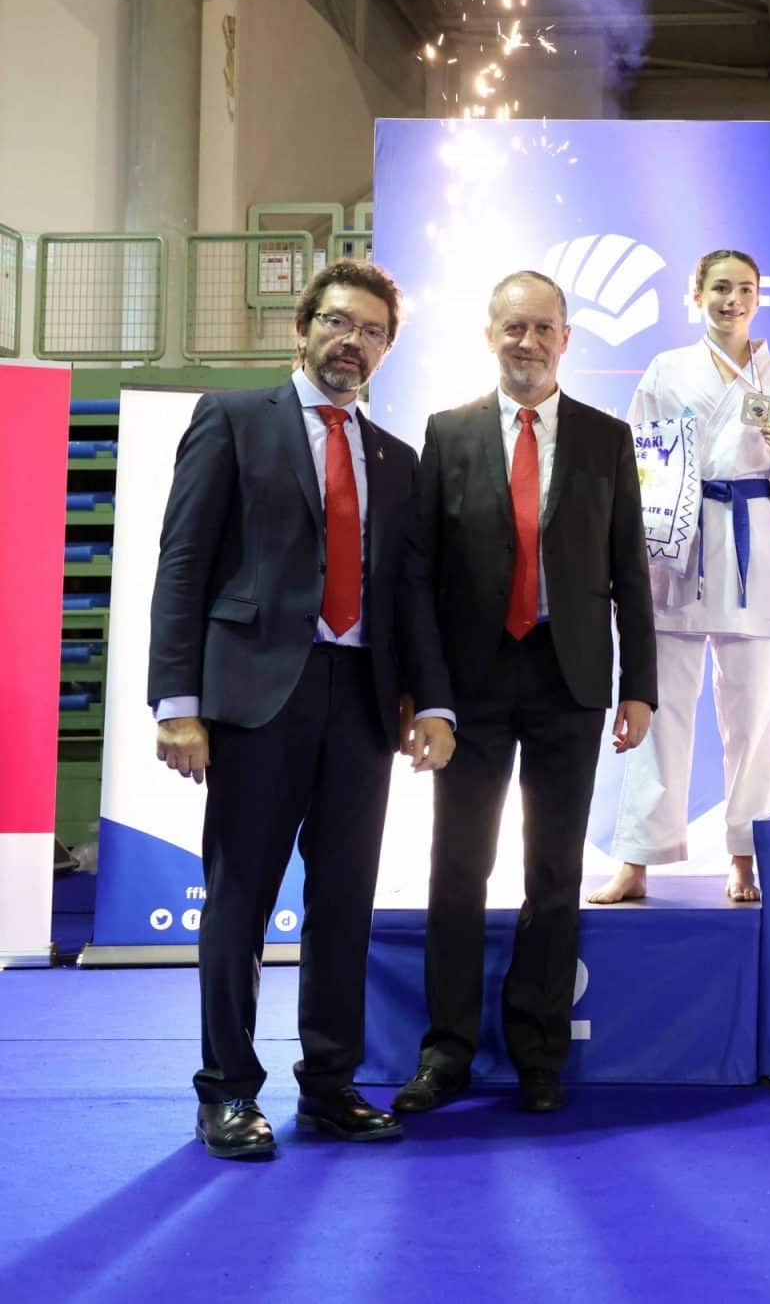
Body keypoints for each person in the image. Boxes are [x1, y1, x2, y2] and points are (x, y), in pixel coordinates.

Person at [149, 260, 455, 1159]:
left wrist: (433, 702)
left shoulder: (396, 458)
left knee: (343, 905)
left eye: (371, 331)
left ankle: (329, 1085)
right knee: (239, 901)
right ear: (303, 327)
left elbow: (411, 593)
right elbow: (183, 562)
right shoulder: (233, 419)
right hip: (254, 701)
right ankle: (226, 1093)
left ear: (387, 350)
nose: (352, 341)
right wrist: (177, 703)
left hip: (361, 703)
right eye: (337, 322)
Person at [393, 271, 657, 1116]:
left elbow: (629, 572)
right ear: (490, 335)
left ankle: (539, 1054)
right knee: (457, 867)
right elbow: (419, 575)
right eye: (514, 327)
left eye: (543, 328)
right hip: (469, 684)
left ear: (566, 339)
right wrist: (424, 693)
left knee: (553, 871)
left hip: (568, 679)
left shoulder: (606, 438)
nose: (528, 342)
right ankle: (446, 1052)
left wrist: (639, 686)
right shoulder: (448, 432)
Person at [593, 250, 770, 907]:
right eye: (720, 288)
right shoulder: (667, 371)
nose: (733, 300)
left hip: (750, 539)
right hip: (678, 542)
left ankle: (744, 855)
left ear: (759, 297)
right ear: (697, 295)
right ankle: (637, 858)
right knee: (659, 707)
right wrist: (640, 547)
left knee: (753, 715)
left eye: (745, 289)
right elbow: (639, 460)